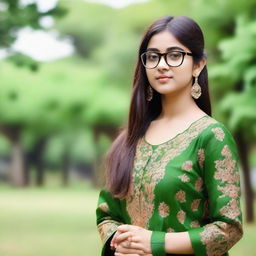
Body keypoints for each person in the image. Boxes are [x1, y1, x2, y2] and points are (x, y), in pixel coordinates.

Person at [96, 15, 243, 256]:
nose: (162, 65)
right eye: (153, 57)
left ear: (198, 64)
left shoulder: (211, 136)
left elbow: (228, 229)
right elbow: (107, 214)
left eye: (174, 55)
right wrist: (120, 243)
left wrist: (153, 243)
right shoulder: (129, 139)